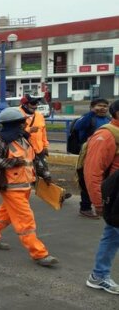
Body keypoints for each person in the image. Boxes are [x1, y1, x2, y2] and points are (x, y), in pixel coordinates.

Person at [0, 107, 58, 267]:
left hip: (25, 186)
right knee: (25, 220)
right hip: (11, 187)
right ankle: (39, 254)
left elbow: (34, 160)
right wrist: (10, 162)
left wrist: (45, 174)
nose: (24, 125)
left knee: (5, 214)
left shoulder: (24, 139)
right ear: (13, 124)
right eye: (21, 123)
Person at [83, 99, 119, 295]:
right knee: (113, 235)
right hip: (115, 197)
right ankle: (98, 276)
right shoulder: (105, 135)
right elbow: (92, 171)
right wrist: (98, 202)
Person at [74, 98, 112, 219]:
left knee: (104, 181)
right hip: (88, 155)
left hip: (105, 156)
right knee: (87, 181)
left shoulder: (108, 120)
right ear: (92, 107)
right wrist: (91, 113)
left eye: (105, 106)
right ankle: (85, 208)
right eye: (99, 106)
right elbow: (77, 126)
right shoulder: (88, 118)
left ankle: (102, 204)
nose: (103, 108)